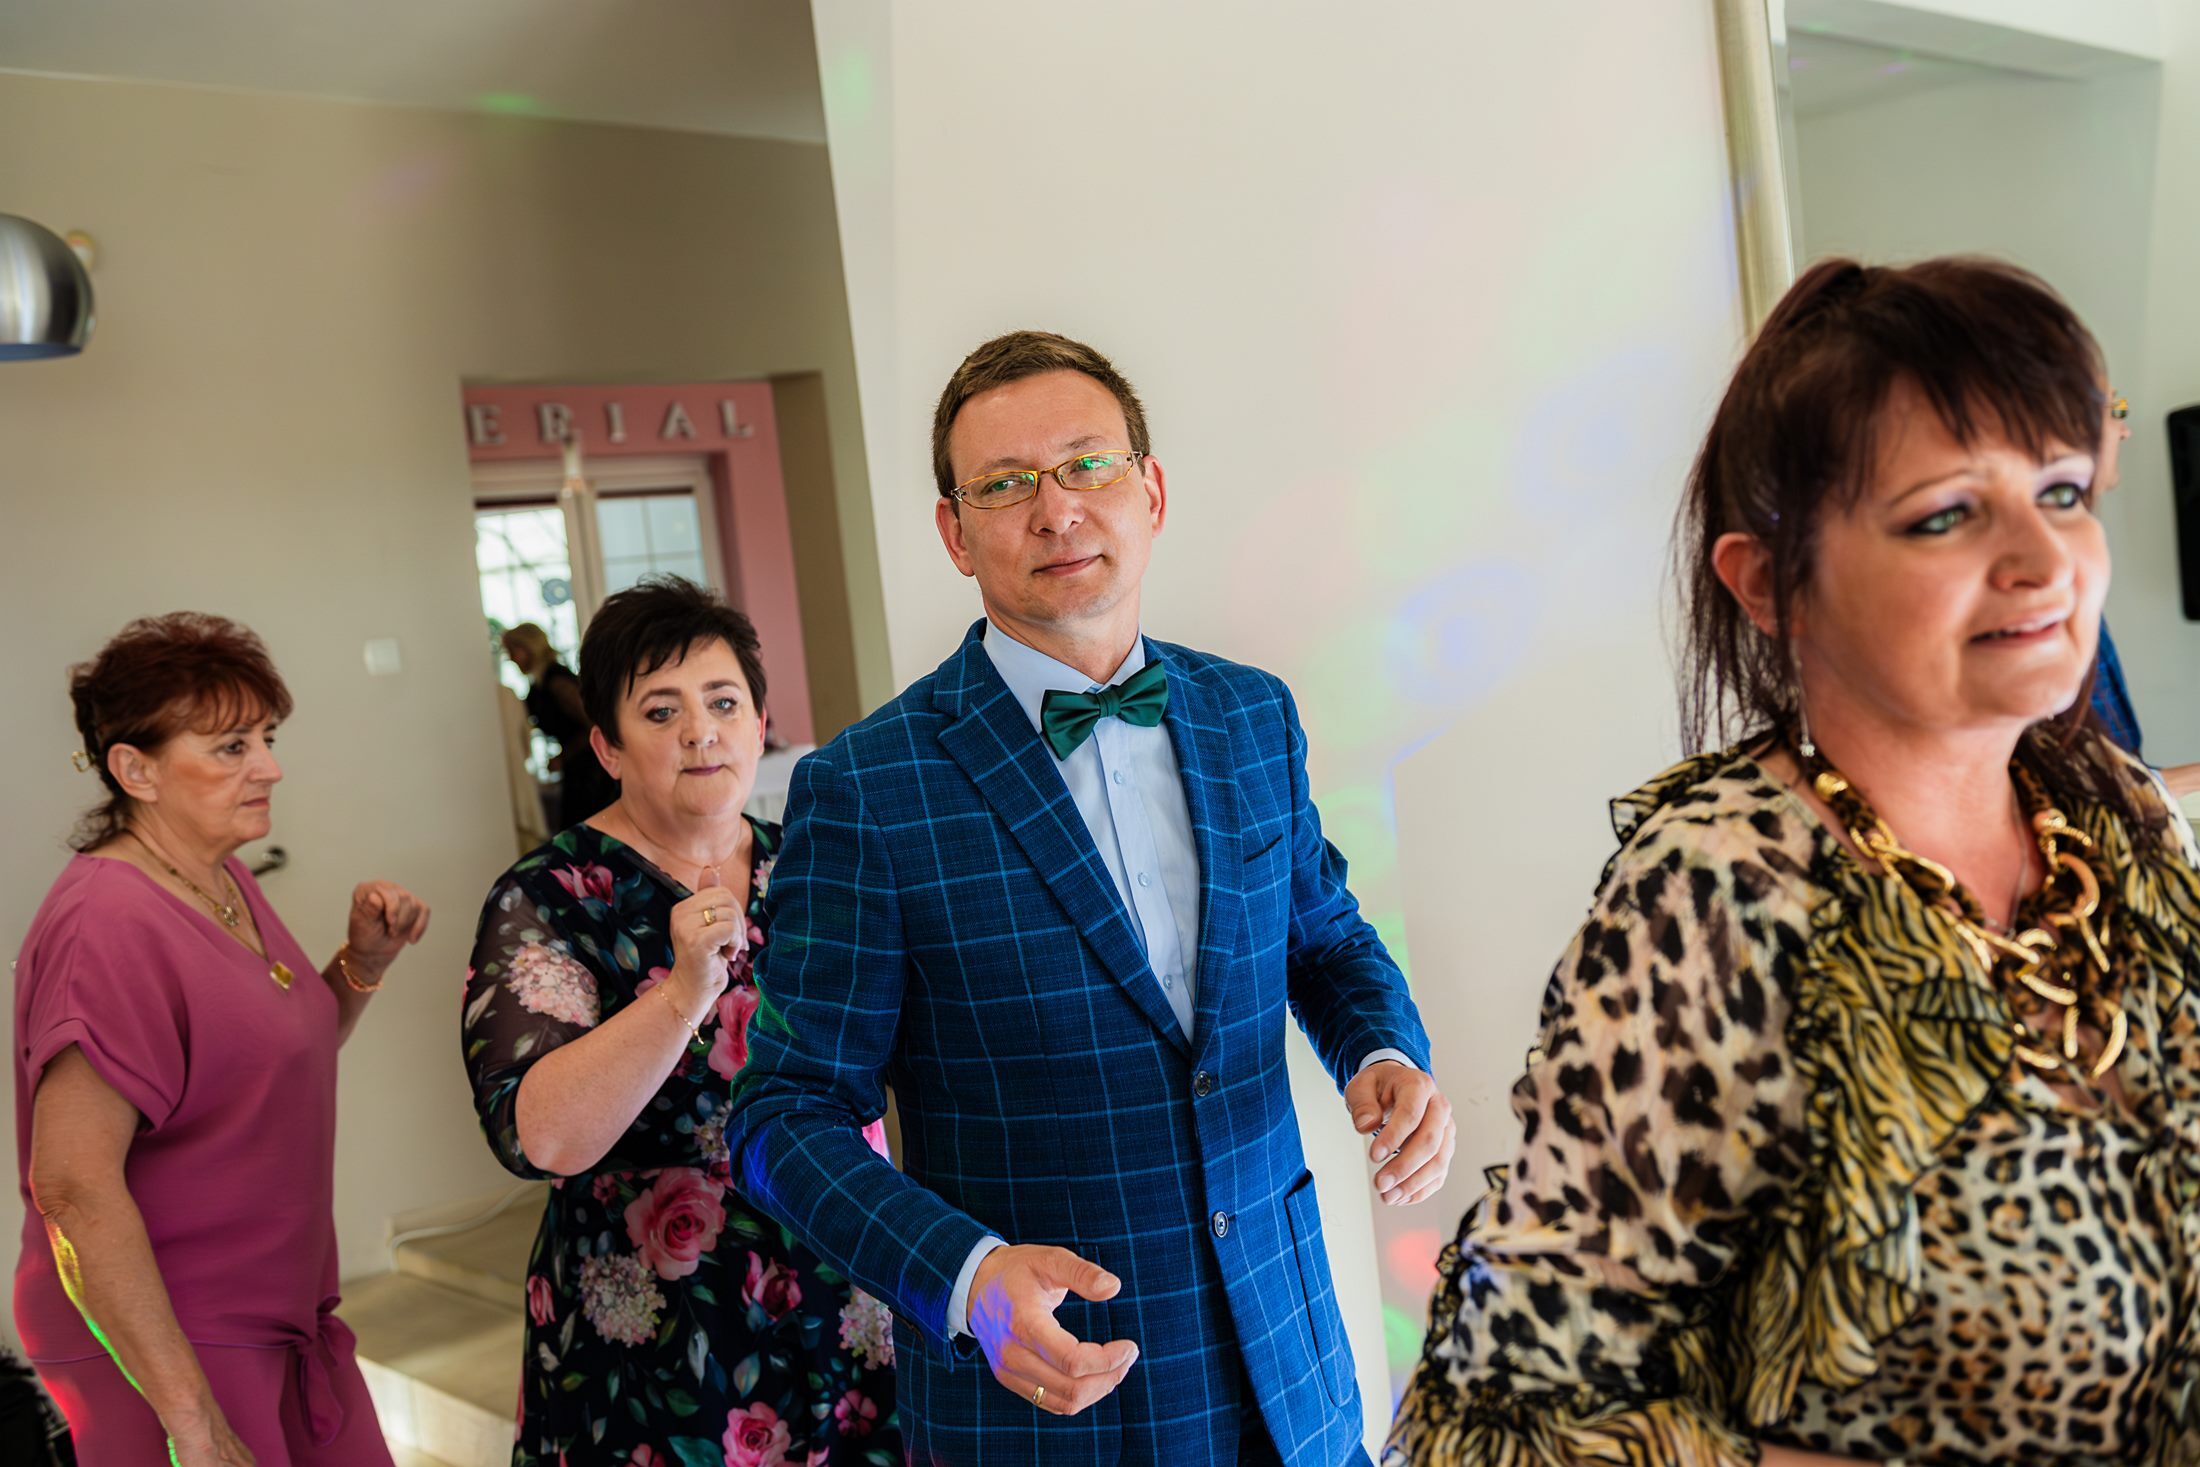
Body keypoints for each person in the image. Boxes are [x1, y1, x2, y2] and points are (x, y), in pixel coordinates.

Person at [1386, 257, 2200, 1464]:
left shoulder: (2111, 809)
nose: (2045, 559)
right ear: (1770, 584)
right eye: (1945, 514)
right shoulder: (1717, 899)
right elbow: (1492, 1423)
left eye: (2064, 492)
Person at [725, 331, 1454, 1465]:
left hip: (1293, 1374)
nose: (1056, 509)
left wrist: (1383, 1051)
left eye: (1088, 465)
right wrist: (964, 1277)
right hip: (1054, 1408)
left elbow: (1322, 940)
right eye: (1005, 484)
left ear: (1150, 491)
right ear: (954, 532)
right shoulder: (866, 788)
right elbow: (783, 1116)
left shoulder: (1251, 713)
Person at [462, 577, 898, 1467]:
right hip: (657, 1329)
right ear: (607, 746)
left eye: (723, 702)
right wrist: (682, 993)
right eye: (661, 711)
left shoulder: (817, 867)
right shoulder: (550, 897)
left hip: (844, 1289)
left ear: (760, 723)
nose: (701, 730)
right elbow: (540, 1135)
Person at [14, 612, 431, 1465]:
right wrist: (192, 1418)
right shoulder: (108, 922)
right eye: (233, 746)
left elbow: (269, 1057)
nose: (269, 766)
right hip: (172, 1345)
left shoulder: (218, 875)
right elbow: (72, 1187)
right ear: (135, 769)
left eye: (267, 738)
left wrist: (360, 963)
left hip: (282, 1317)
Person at [502, 622, 616, 825]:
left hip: (592, 773)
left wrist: (562, 758)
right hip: (577, 771)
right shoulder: (537, 688)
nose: (510, 659)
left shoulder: (557, 681)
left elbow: (594, 725)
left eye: (512, 650)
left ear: (528, 647)